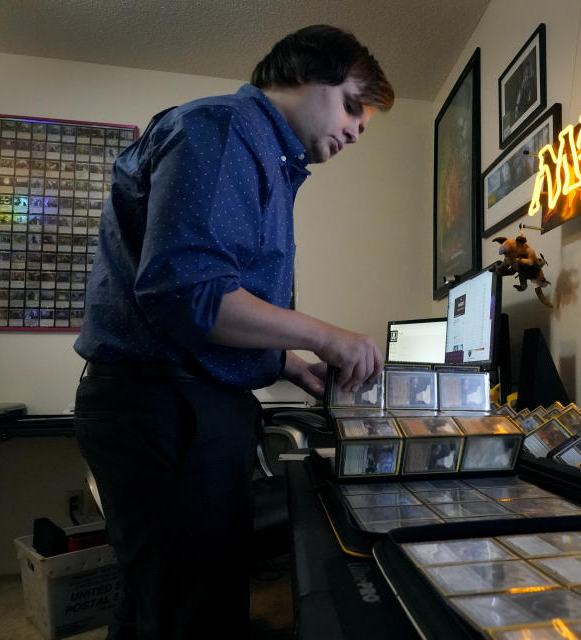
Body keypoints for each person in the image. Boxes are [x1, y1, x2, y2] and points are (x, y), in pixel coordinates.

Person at [73, 25, 393, 639]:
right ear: (304, 75)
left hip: (172, 404)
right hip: (168, 409)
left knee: (156, 606)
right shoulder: (222, 132)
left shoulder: (260, 155)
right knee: (196, 616)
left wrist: (288, 363)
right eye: (353, 105)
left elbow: (209, 301)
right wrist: (328, 337)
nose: (357, 128)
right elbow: (189, 291)